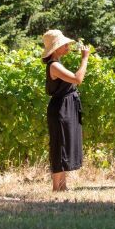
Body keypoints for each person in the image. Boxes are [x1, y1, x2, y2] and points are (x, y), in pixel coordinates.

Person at [41, 29, 90, 191]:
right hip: (61, 109)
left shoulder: (57, 63)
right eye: (64, 44)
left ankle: (62, 186)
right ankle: (57, 187)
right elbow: (78, 79)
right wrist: (85, 59)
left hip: (66, 107)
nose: (68, 45)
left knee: (64, 143)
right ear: (55, 48)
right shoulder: (54, 65)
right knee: (59, 144)